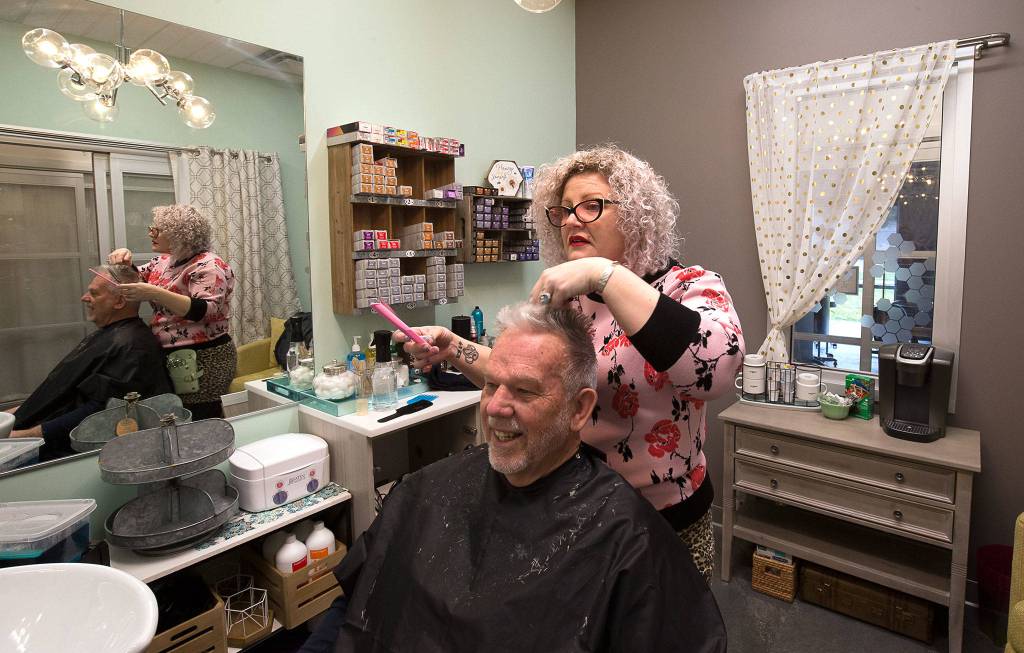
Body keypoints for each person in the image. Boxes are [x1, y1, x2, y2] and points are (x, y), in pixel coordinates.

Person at [396, 145, 744, 581]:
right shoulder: (568, 299)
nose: (572, 220)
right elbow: (521, 379)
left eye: (591, 205)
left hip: (666, 519)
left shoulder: (687, 287)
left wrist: (605, 274)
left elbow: (714, 368)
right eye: (563, 210)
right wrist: (454, 348)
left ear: (636, 215)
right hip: (580, 506)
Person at [314, 303, 725, 653]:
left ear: (579, 409)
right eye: (492, 384)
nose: (496, 408)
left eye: (525, 391)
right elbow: (356, 604)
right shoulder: (428, 488)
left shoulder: (625, 537)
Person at [7, 264, 172, 461]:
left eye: (94, 293)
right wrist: (12, 415)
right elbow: (62, 394)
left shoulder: (132, 347)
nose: (84, 298)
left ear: (119, 301)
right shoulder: (112, 335)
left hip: (61, 451)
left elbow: (102, 411)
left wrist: (24, 437)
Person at [108, 204, 236, 419]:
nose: (151, 233)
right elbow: (133, 278)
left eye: (157, 230)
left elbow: (206, 310)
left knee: (201, 417)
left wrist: (154, 292)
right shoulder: (163, 262)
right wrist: (124, 262)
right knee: (178, 415)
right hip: (171, 354)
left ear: (180, 234)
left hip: (205, 357)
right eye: (152, 228)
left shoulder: (209, 265)